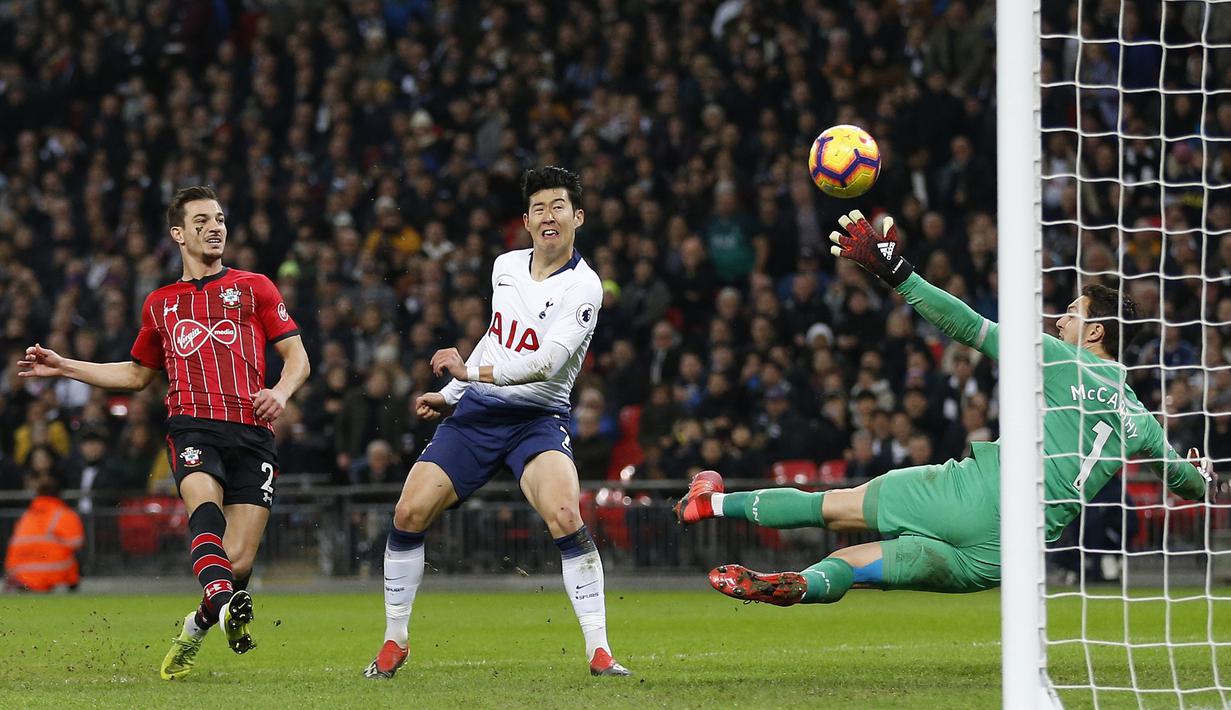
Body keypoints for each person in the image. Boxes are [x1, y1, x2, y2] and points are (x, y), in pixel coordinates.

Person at [676, 210, 1222, 606]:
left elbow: (966, 324)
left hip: (972, 497)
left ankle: (713, 503)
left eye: (1072, 314)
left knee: (834, 507)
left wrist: (898, 273)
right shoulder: (1142, 423)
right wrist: (1203, 475)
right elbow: (1189, 486)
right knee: (854, 567)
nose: (1060, 321)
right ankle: (801, 585)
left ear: (1096, 331)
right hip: (1003, 558)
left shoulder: (1062, 360)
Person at [17, 186, 310, 679]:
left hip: (253, 431)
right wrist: (64, 365)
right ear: (178, 233)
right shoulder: (160, 303)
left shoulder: (255, 286)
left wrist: (280, 393)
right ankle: (221, 602)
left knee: (236, 562)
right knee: (204, 512)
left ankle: (197, 626)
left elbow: (298, 357)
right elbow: (136, 375)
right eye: (201, 221)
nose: (215, 227)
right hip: (192, 424)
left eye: (219, 219)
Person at [364, 167, 630, 679]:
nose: (547, 216)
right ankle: (394, 641)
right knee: (409, 510)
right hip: (478, 413)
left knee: (565, 515)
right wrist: (452, 394)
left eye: (558, 206)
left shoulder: (585, 287)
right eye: (538, 208)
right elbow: (496, 337)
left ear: (577, 217)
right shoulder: (505, 265)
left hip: (537, 417)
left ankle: (600, 651)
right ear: (526, 221)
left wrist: (469, 370)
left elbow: (545, 364)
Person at [4, 470, 84, 592]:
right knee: (74, 556)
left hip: (21, 575)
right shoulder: (64, 514)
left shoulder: (27, 516)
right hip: (52, 574)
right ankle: (71, 587)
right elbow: (77, 543)